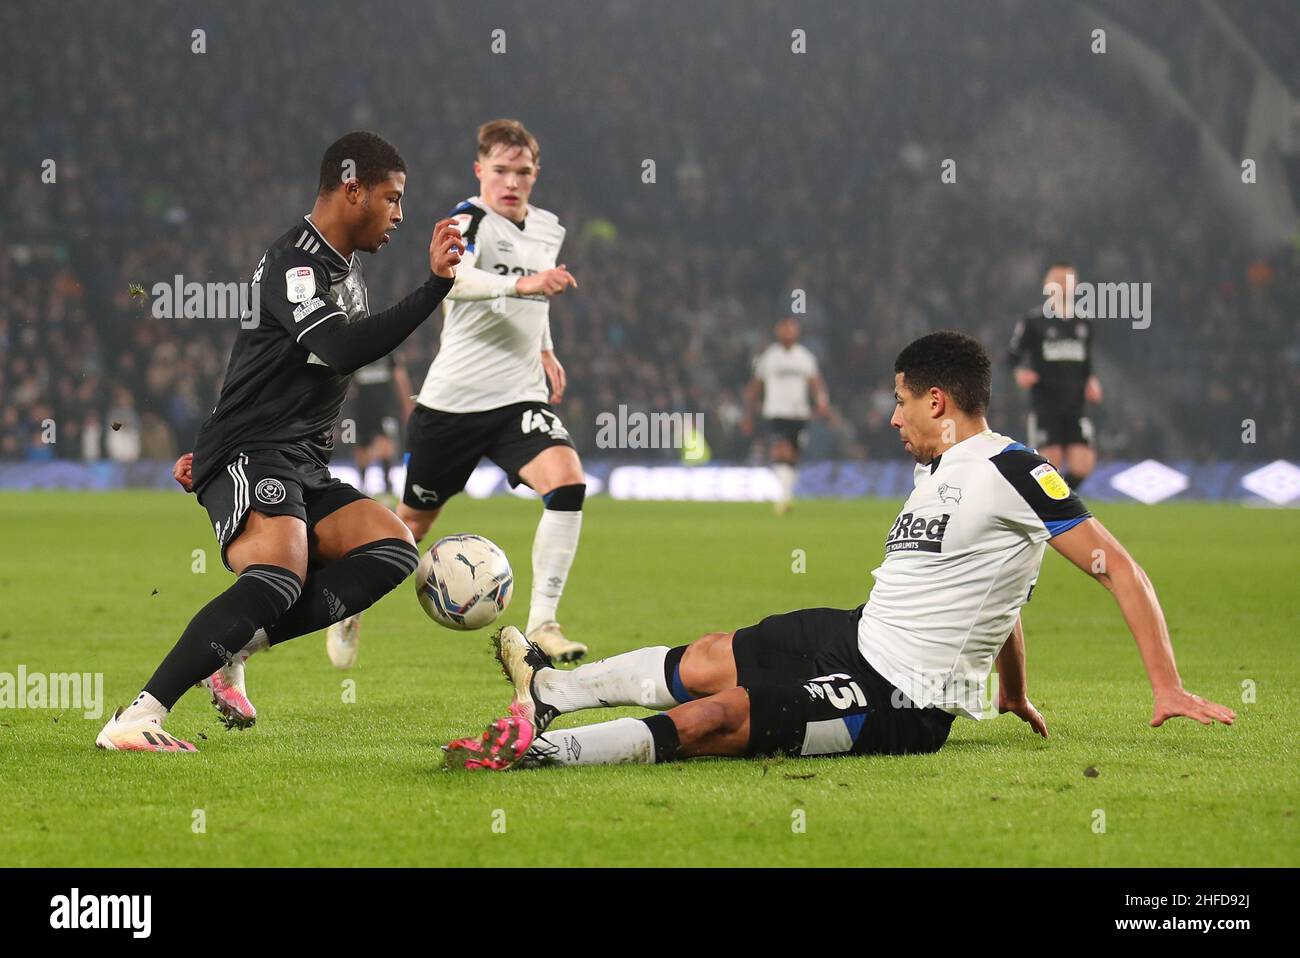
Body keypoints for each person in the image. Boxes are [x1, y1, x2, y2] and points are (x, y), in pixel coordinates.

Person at [445, 331, 1234, 771]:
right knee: (715, 654)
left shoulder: (1016, 470)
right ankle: (555, 690)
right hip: (858, 634)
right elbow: (1000, 596)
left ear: (937, 400)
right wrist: (1014, 690)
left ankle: (544, 753)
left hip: (904, 699)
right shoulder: (936, 474)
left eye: (899, 402)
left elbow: (1117, 567)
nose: (892, 419)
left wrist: (1167, 685)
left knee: (720, 716)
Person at [96, 131, 464, 751]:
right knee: (277, 576)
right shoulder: (296, 260)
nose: (400, 215)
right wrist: (433, 289)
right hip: (251, 451)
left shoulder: (348, 275)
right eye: (393, 198)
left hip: (299, 460)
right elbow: (341, 348)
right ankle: (137, 717)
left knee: (392, 549)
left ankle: (233, 648)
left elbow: (277, 372)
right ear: (353, 190)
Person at [327, 119, 588, 669]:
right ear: (480, 171)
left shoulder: (548, 229)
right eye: (500, 170)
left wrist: (544, 347)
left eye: (522, 171)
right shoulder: (467, 219)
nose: (511, 182)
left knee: (567, 482)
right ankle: (348, 602)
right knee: (406, 533)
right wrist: (523, 285)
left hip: (518, 398)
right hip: (452, 405)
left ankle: (543, 622)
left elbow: (537, 294)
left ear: (535, 174)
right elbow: (458, 279)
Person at [1009, 262, 1103, 489]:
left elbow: (1085, 362)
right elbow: (1013, 355)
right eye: (1058, 281)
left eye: (1068, 282)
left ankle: (1056, 506)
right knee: (1050, 467)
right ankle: (1047, 513)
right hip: (1045, 406)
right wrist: (1020, 371)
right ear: (1047, 286)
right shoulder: (1034, 322)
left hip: (1075, 406)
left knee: (1083, 465)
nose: (1063, 287)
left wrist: (1091, 380)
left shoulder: (1083, 324)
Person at [742, 317, 829, 515]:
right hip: (776, 412)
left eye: (791, 329)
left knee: (792, 456)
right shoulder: (769, 357)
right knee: (780, 450)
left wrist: (822, 402)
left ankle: (786, 495)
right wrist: (747, 413)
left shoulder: (804, 357)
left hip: (798, 413)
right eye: (785, 329)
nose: (788, 333)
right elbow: (755, 387)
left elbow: (815, 382)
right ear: (778, 331)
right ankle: (784, 498)